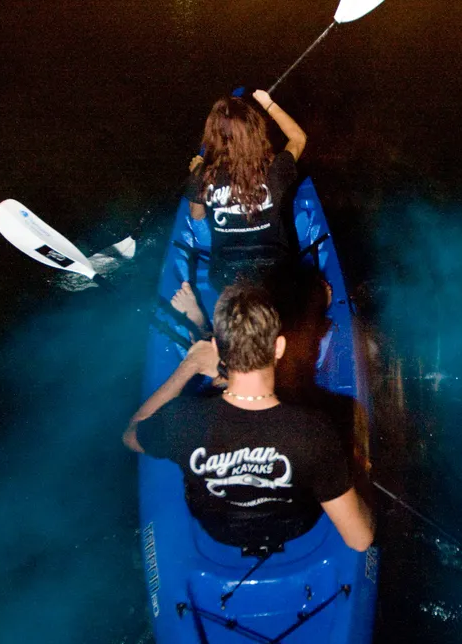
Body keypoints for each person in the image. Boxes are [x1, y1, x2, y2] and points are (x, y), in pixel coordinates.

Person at [124, 283, 374, 553]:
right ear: (279, 347)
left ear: (217, 350)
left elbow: (131, 435)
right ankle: (220, 357)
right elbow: (360, 540)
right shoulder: (314, 430)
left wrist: (189, 365)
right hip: (297, 527)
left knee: (219, 390)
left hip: (218, 531)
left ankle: (203, 336)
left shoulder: (183, 417)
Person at [183, 89, 307, 293]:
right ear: (256, 131)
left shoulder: (202, 174)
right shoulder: (276, 169)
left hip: (225, 277)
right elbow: (298, 138)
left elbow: (197, 215)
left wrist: (196, 172)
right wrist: (268, 103)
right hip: (276, 272)